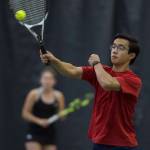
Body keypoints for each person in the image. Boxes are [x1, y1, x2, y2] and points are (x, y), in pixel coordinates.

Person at [40, 33, 142, 150]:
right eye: (113, 46)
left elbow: (107, 84)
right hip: (99, 141)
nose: (114, 50)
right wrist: (54, 60)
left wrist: (96, 64)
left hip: (122, 144)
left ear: (132, 55)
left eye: (121, 48)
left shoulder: (133, 80)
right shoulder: (101, 71)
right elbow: (72, 70)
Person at [22, 67, 65, 150]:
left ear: (54, 81)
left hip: (50, 134)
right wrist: (39, 121)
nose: (47, 81)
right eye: (45, 78)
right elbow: (25, 114)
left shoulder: (59, 96)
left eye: (50, 79)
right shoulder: (33, 94)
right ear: (40, 80)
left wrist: (63, 115)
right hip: (34, 133)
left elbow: (62, 116)